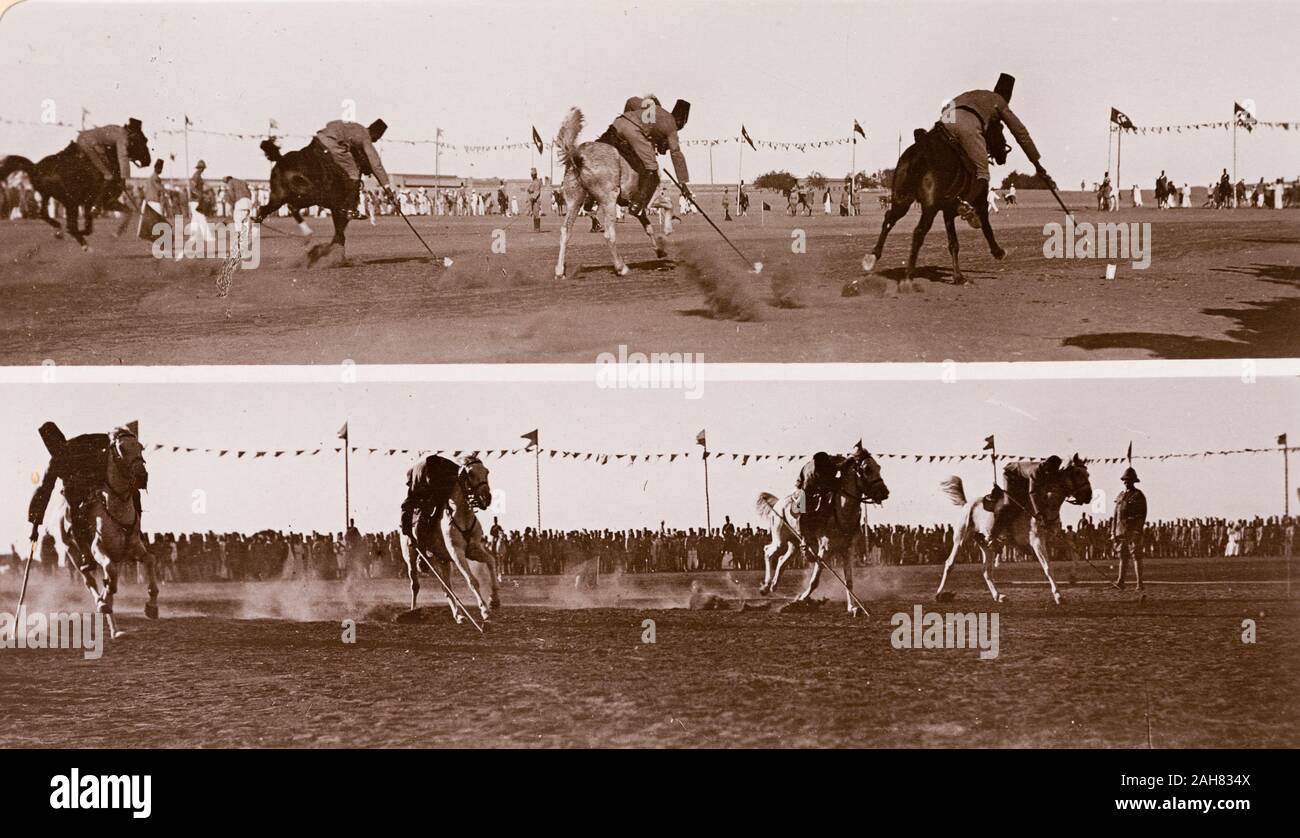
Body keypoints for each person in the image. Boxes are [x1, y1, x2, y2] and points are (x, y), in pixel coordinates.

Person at [940, 73, 1049, 227]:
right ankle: (967, 206)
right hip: (967, 126)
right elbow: (1021, 133)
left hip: (945, 120)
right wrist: (1036, 163)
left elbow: (947, 106)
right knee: (982, 172)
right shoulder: (1000, 102)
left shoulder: (978, 94)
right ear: (1007, 96)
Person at [610, 95, 691, 215]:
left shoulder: (654, 109)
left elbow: (631, 101)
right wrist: (683, 184)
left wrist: (627, 116)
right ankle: (637, 204)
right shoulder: (672, 126)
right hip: (632, 132)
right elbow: (676, 154)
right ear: (680, 121)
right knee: (652, 168)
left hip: (617, 125)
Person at [314, 118, 396, 219]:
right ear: (376, 134)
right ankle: (350, 209)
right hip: (331, 143)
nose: (375, 141)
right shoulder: (366, 138)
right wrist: (387, 187)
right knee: (354, 173)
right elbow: (376, 164)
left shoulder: (357, 128)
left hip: (318, 138)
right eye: (377, 138)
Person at [75, 117, 142, 205]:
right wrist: (123, 178)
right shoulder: (123, 137)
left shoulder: (117, 128)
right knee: (108, 175)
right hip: (89, 144)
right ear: (132, 132)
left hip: (81, 137)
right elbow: (122, 156)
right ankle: (97, 205)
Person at [1112, 466, 1148, 590]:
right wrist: (1113, 532)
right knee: (1123, 557)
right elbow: (1115, 515)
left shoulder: (1138, 495)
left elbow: (1142, 515)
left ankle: (1139, 583)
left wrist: (1137, 530)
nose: (1126, 482)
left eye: (1129, 480)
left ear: (1133, 481)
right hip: (1120, 532)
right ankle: (1120, 581)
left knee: (1136, 557)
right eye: (1125, 480)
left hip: (1133, 532)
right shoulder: (1120, 496)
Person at [223, 175, 253, 252]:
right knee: (246, 222)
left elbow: (231, 194)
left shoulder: (231, 182)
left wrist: (232, 204)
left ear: (227, 180)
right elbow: (250, 193)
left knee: (238, 222)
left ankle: (239, 243)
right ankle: (246, 241)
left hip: (240, 202)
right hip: (248, 202)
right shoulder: (242, 181)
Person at [188, 160, 214, 244]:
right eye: (201, 168)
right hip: (196, 200)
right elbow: (192, 188)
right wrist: (201, 195)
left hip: (196, 200)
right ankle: (208, 237)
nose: (202, 169)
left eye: (202, 168)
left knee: (195, 220)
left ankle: (193, 237)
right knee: (202, 218)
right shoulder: (196, 176)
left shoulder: (198, 176)